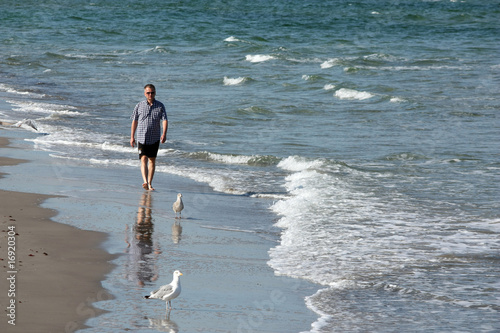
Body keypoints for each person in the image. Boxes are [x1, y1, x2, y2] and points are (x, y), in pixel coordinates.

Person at [130, 84, 168, 191]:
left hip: (155, 138)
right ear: (144, 93)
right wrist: (132, 137)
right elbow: (134, 121)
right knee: (143, 159)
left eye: (152, 92)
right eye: (148, 93)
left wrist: (164, 134)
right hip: (141, 137)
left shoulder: (160, 106)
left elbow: (165, 120)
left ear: (155, 93)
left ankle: (150, 183)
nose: (150, 94)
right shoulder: (139, 105)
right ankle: (145, 181)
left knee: (152, 160)